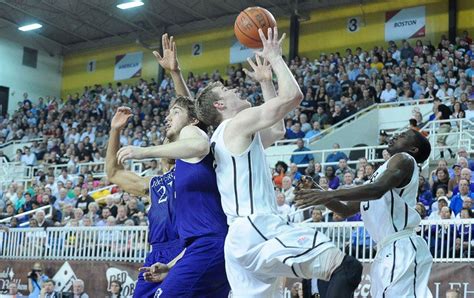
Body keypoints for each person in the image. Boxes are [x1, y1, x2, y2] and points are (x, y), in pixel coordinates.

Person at [195, 27, 362, 298]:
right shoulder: (235, 124)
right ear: (219, 106)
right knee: (346, 267)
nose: (234, 88)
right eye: (226, 90)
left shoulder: (225, 136)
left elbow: (276, 131)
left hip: (242, 238)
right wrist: (274, 57)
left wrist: (265, 82)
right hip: (257, 227)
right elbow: (293, 97)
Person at [295, 129, 433, 297]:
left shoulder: (404, 159)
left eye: (403, 135)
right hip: (386, 249)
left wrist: (328, 194)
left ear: (413, 149)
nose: (395, 135)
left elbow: (377, 189)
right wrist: (318, 193)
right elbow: (346, 210)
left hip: (401, 245)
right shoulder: (381, 172)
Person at [113, 99, 229, 296]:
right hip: (180, 248)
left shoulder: (193, 160)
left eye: (173, 113)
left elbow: (193, 124)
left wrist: (143, 152)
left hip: (201, 243)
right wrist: (115, 130)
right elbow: (114, 173)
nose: (167, 119)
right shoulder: (159, 180)